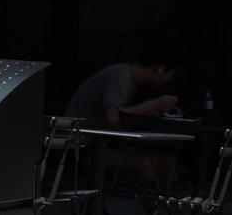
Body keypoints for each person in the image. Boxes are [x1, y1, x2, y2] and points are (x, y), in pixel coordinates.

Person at [66, 37, 185, 181]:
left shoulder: (127, 77)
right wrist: (154, 104)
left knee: (166, 161)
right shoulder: (121, 75)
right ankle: (154, 204)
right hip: (80, 150)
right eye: (170, 76)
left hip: (100, 145)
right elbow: (113, 119)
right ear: (161, 69)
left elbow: (122, 116)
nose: (168, 80)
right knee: (142, 164)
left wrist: (155, 111)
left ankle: (168, 204)